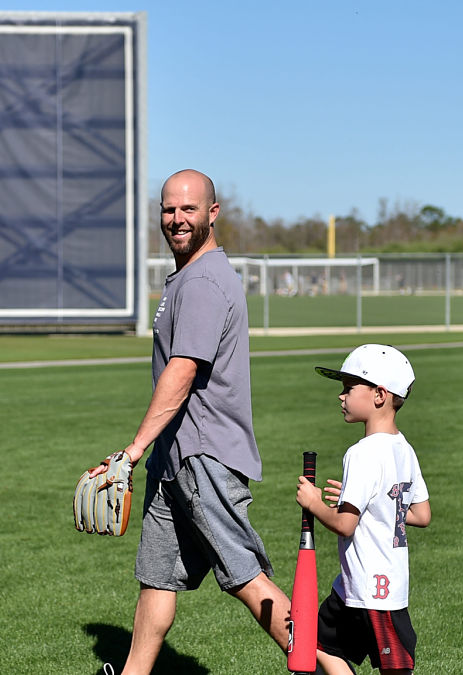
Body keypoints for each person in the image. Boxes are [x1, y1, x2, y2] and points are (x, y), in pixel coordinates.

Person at [88, 169, 290, 674]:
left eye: (189, 210)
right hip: (174, 459)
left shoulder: (202, 281)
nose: (177, 219)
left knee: (246, 576)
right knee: (156, 578)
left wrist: (132, 451)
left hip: (203, 457)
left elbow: (183, 371)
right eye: (169, 210)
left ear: (212, 213)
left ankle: (328, 664)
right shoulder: (188, 276)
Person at [296, 344, 432, 674]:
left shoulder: (361, 453)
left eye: (348, 388)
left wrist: (315, 504)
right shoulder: (404, 448)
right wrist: (372, 502)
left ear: (379, 395)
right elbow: (420, 514)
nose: (341, 396)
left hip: (373, 592)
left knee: (391, 669)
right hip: (354, 588)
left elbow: (344, 524)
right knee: (311, 643)